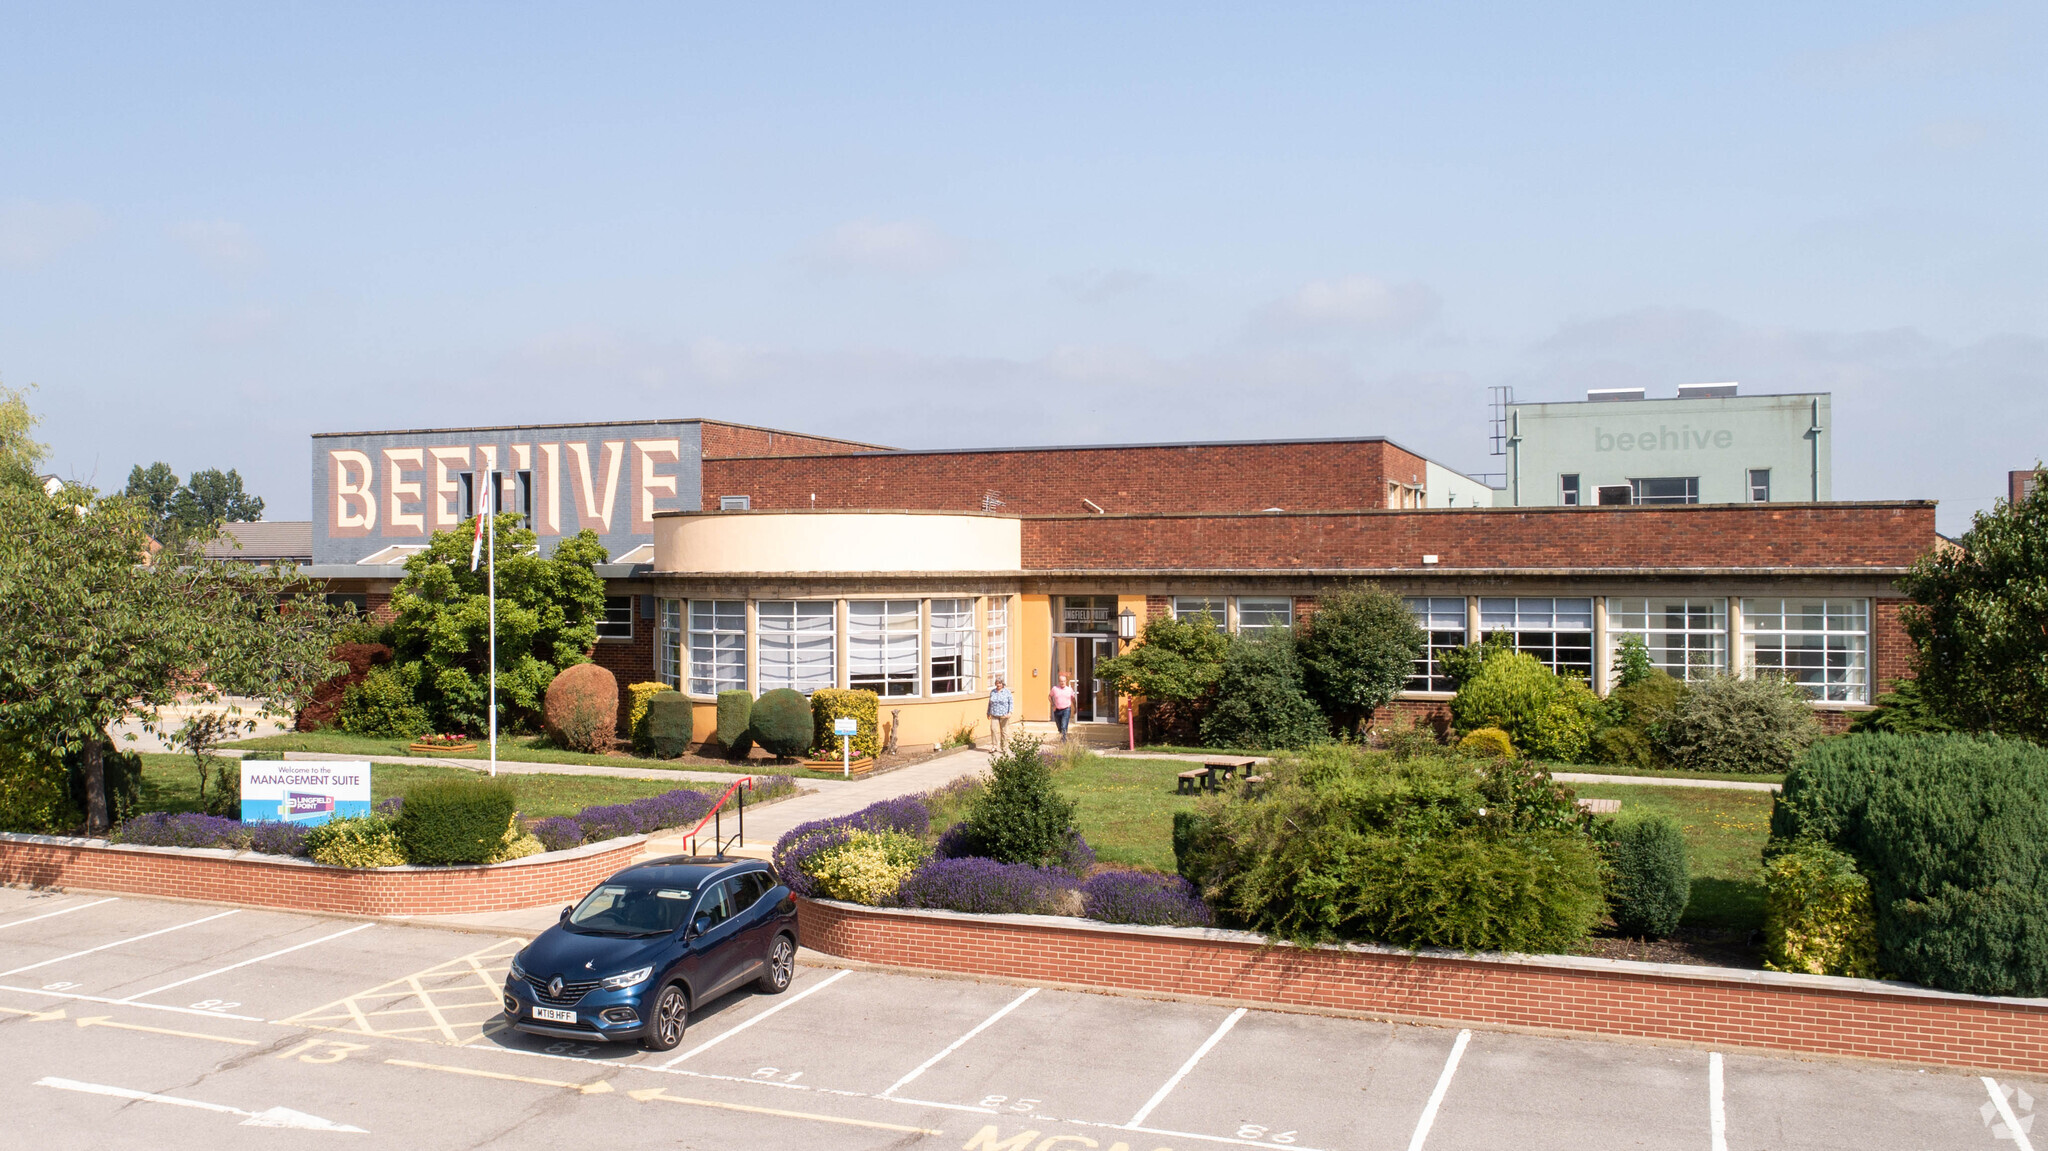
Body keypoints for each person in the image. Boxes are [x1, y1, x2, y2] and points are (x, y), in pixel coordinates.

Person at [986, 676, 1014, 749]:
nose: (998, 685)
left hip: (1004, 715)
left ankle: (1004, 747)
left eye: (1000, 683)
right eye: (997, 683)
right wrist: (988, 712)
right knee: (993, 729)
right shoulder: (993, 692)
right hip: (994, 714)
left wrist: (1010, 712)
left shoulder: (1007, 692)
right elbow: (990, 702)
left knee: (1004, 732)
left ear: (1003, 684)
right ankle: (994, 746)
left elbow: (1011, 702)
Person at [1049, 673, 1076, 740]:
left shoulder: (1069, 689)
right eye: (1061, 681)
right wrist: (1053, 705)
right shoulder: (1055, 689)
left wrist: (1075, 708)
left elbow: (1073, 699)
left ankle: (1063, 741)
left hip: (1066, 710)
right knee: (1059, 727)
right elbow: (1049, 696)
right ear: (1059, 682)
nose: (1062, 682)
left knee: (1064, 726)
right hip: (1057, 710)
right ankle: (1063, 736)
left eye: (1063, 681)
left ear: (1066, 681)